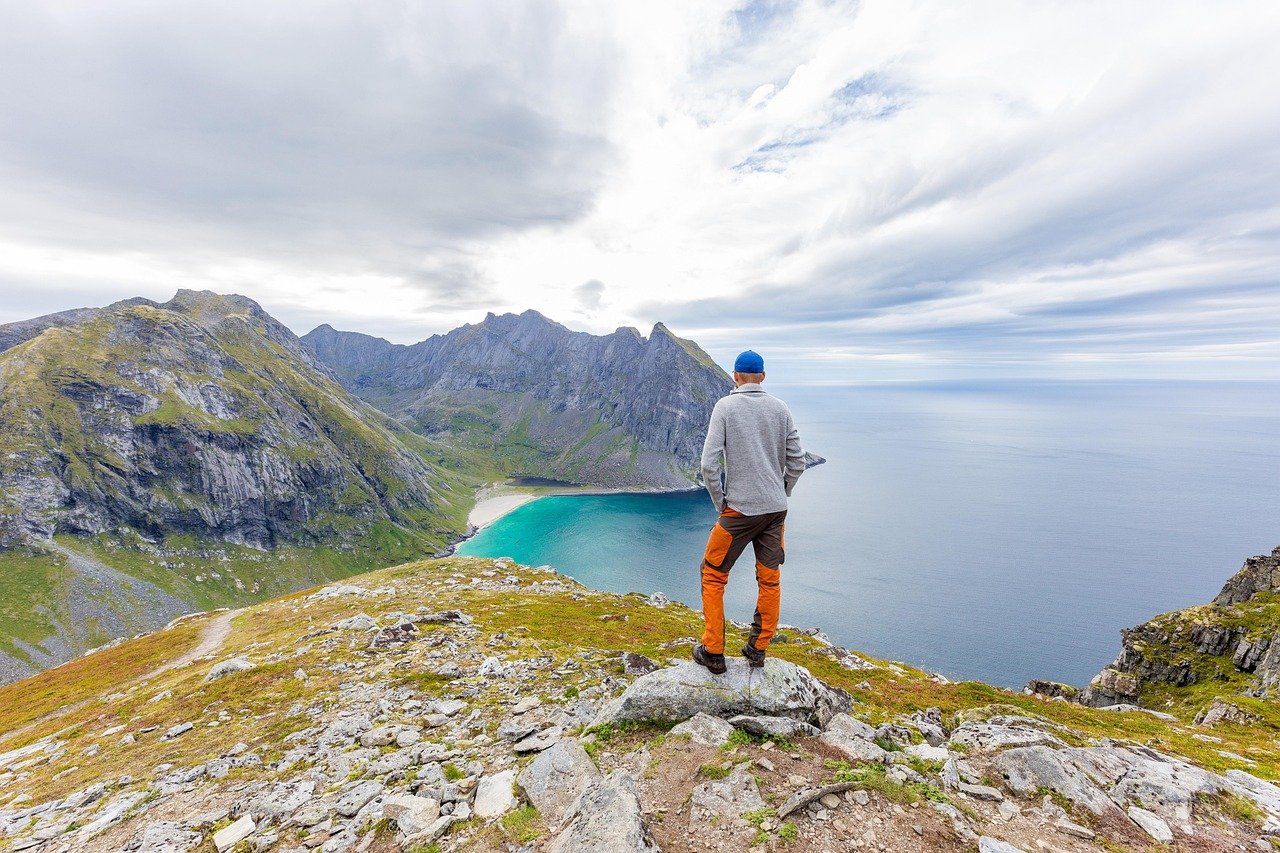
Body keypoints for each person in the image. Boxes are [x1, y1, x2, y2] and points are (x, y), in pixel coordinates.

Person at [693, 349, 806, 674]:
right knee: (769, 580)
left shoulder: (725, 407)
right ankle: (757, 650)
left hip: (739, 512)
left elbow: (708, 464)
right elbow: (797, 461)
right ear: (763, 377)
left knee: (713, 573)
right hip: (775, 512)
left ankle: (713, 650)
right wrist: (781, 492)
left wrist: (721, 504)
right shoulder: (780, 409)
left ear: (735, 376)